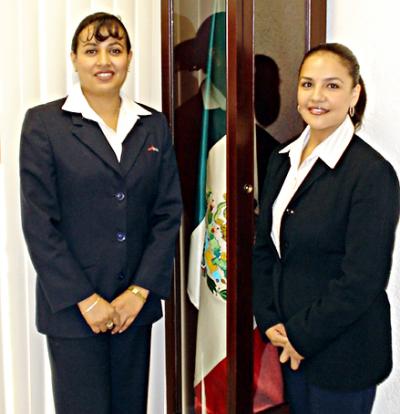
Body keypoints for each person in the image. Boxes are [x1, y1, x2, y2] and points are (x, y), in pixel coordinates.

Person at [19, 12, 182, 414]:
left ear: (129, 57)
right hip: (73, 313)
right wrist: (86, 300)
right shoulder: (44, 125)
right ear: (74, 58)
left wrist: (139, 293)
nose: (104, 61)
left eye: (115, 50)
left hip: (133, 308)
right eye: (92, 50)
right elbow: (40, 224)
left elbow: (167, 213)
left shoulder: (153, 126)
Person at [253, 42, 399, 414]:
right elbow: (265, 248)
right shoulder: (282, 159)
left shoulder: (371, 174)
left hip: (343, 354)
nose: (316, 96)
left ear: (355, 94)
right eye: (307, 84)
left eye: (332, 86)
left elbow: (363, 278)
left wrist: (300, 336)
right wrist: (269, 319)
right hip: (288, 345)